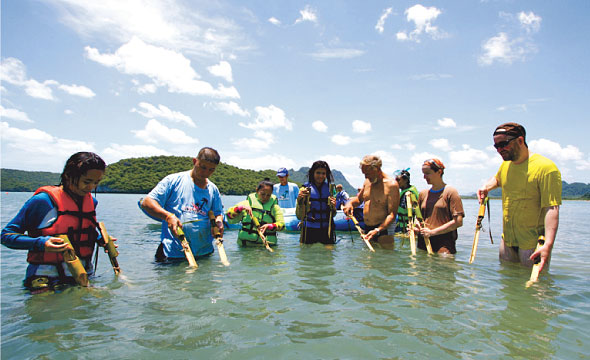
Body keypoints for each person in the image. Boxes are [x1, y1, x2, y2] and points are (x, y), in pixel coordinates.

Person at [1, 152, 109, 293]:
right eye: (87, 181)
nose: (91, 187)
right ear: (68, 176)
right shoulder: (43, 201)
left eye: (96, 183)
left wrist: (101, 240)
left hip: (81, 277)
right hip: (44, 281)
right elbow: (6, 236)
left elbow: (84, 231)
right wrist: (41, 243)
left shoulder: (91, 202)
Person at [477, 122, 561, 272]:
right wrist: (486, 187)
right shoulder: (506, 165)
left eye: (503, 144)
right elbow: (498, 178)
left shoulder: (546, 168)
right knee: (508, 287)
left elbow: (551, 208)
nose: (499, 150)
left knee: (537, 291)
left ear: (520, 140)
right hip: (507, 241)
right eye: (496, 146)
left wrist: (548, 245)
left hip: (533, 243)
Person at [141, 147, 224, 262]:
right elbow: (147, 202)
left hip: (204, 253)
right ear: (195, 161)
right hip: (173, 253)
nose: (206, 173)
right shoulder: (173, 180)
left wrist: (219, 222)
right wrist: (168, 216)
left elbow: (218, 213)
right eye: (203, 167)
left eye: (211, 170)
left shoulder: (213, 189)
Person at [343, 155, 399, 244]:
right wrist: (349, 204)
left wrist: (377, 230)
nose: (365, 177)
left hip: (383, 230)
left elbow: (392, 214)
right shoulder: (367, 181)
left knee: (385, 256)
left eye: (367, 173)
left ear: (376, 168)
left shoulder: (391, 185)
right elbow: (358, 199)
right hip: (367, 228)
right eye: (364, 174)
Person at [417, 158, 464, 254]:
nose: (424, 177)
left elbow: (458, 222)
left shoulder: (450, 192)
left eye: (427, 173)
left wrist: (432, 232)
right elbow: (418, 218)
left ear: (439, 172)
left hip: (443, 244)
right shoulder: (423, 194)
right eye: (423, 173)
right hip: (423, 242)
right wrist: (416, 227)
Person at [226, 180, 285, 247]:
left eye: (268, 195)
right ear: (257, 191)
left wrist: (270, 226)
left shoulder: (274, 208)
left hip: (266, 247)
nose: (265, 197)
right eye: (263, 194)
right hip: (245, 246)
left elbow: (282, 225)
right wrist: (240, 208)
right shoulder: (246, 204)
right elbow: (229, 216)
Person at [296, 160, 337, 245]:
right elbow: (299, 215)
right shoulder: (304, 189)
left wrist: (333, 206)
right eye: (318, 173)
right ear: (313, 173)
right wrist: (300, 200)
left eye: (323, 173)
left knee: (329, 255)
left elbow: (333, 214)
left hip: (326, 229)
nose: (321, 176)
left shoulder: (330, 190)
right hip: (309, 229)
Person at [394, 169, 420, 233]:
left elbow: (405, 208)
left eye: (398, 180)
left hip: (408, 229)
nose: (396, 182)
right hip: (404, 227)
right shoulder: (406, 191)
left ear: (405, 180)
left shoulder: (408, 194)